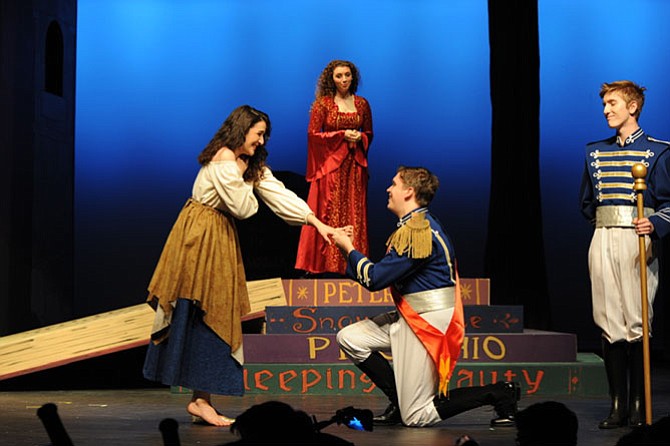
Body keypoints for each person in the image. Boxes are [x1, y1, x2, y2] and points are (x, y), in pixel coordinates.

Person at [143, 105, 339, 426]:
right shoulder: (223, 159)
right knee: (202, 312)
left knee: (217, 311)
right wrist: (246, 175)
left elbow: (278, 194)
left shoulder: (245, 164)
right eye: (258, 133)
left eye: (264, 136)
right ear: (242, 129)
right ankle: (200, 399)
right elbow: (245, 208)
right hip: (199, 236)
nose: (261, 141)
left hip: (218, 235)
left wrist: (316, 223)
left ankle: (201, 399)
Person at [331, 166, 520, 427]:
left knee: (416, 417)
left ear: (409, 191)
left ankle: (499, 392)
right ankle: (399, 400)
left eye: (394, 184)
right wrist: (347, 251)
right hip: (410, 314)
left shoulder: (418, 232)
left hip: (426, 321)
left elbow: (375, 279)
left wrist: (348, 248)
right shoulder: (414, 226)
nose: (389, 189)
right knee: (351, 338)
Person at [579, 81, 670, 428]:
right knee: (608, 320)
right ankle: (617, 405)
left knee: (636, 320)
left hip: (637, 238)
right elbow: (586, 202)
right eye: (604, 104)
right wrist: (607, 226)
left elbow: (669, 202)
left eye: (612, 103)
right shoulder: (594, 152)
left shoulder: (658, 151)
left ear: (633, 107)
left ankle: (637, 403)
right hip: (603, 237)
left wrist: (654, 223)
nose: (606, 110)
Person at [295, 60, 373, 276]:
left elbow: (369, 133)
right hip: (331, 167)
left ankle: (354, 265)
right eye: (339, 76)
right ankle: (324, 266)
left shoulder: (362, 104)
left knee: (354, 211)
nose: (344, 79)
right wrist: (340, 135)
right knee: (329, 210)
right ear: (331, 79)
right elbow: (313, 135)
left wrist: (361, 137)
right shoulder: (323, 104)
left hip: (354, 167)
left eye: (347, 75)